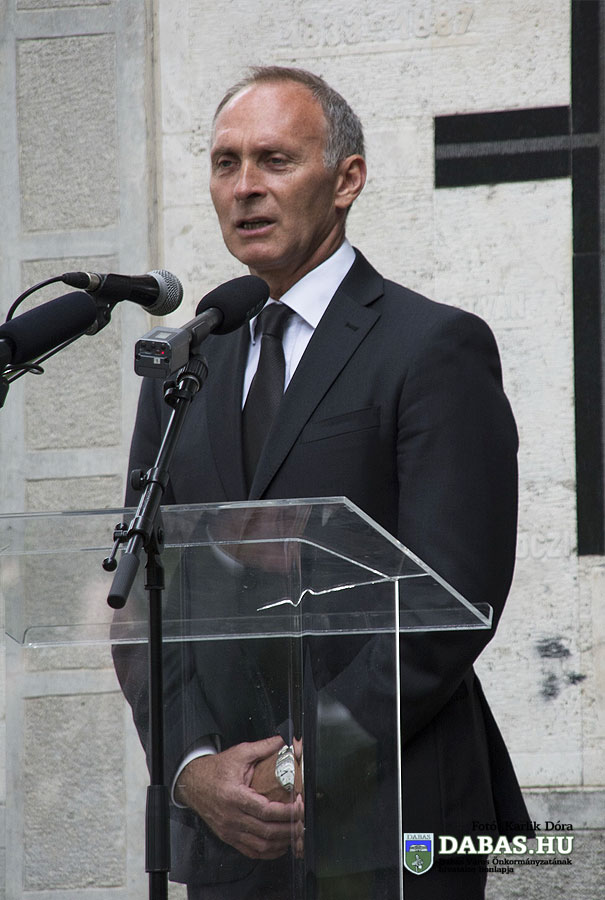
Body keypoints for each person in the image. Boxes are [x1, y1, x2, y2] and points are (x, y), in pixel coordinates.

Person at [115, 66, 532, 899]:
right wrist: (193, 767)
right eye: (225, 163)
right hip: (230, 825)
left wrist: (308, 755)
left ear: (346, 180)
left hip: (392, 813)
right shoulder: (184, 364)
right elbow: (137, 594)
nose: (244, 187)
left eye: (274, 159)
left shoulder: (430, 347)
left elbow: (453, 592)